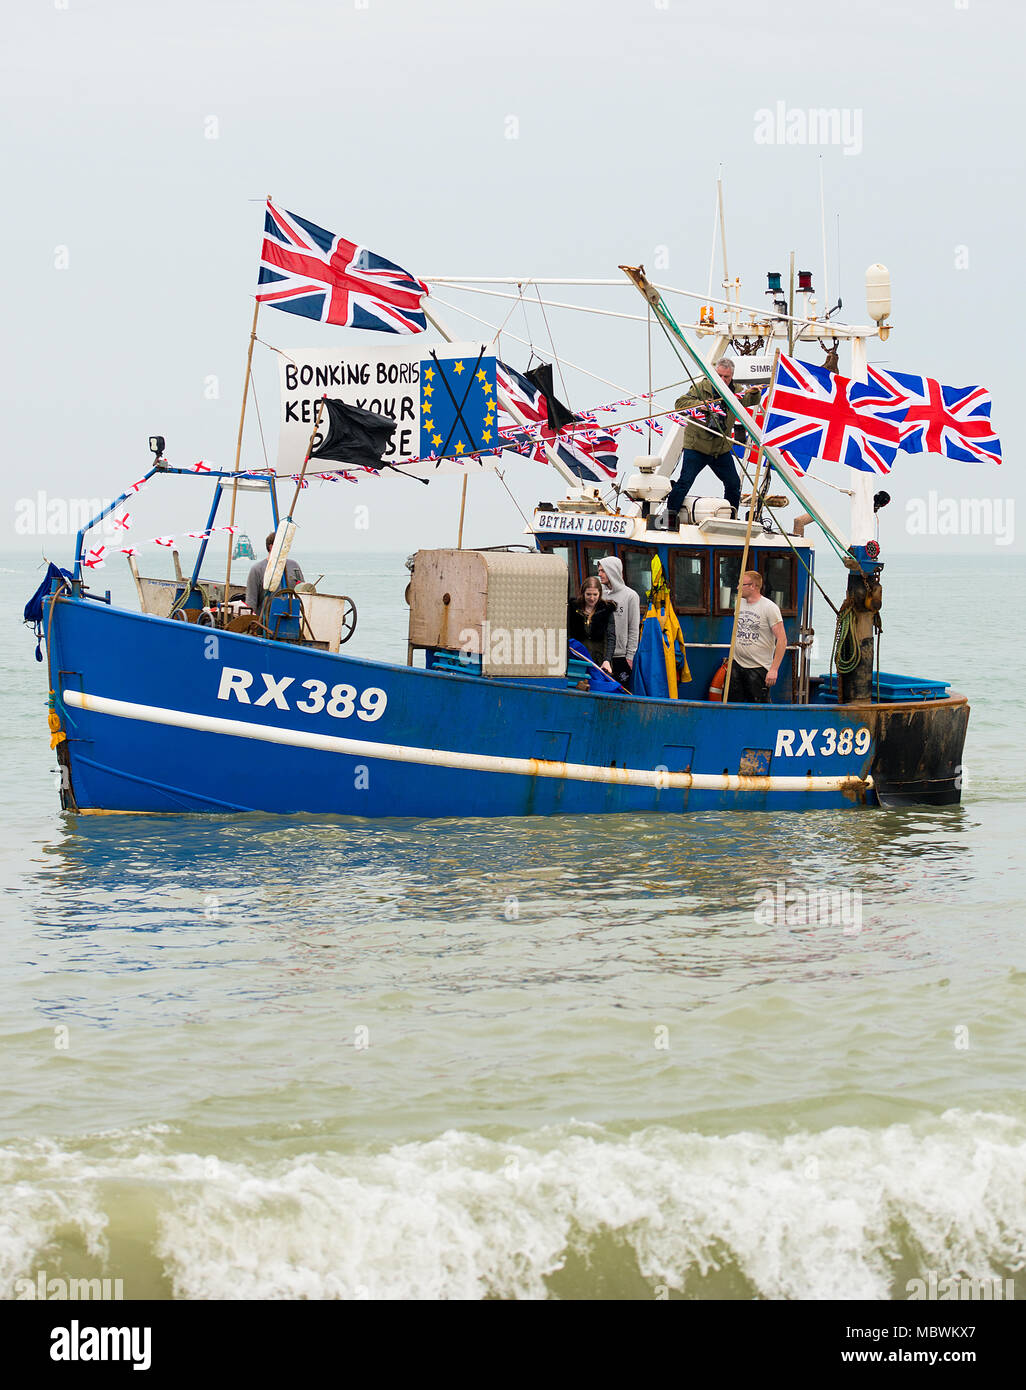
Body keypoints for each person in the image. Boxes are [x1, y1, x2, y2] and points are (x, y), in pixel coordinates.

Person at [667, 357, 761, 520]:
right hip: (697, 446)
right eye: (720, 376)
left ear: (732, 377)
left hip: (720, 449)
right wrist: (700, 405)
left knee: (733, 484)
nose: (723, 380)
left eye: (727, 377)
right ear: (714, 374)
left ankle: (731, 517)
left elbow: (748, 400)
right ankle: (669, 517)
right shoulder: (702, 387)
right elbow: (680, 403)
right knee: (684, 482)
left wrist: (755, 392)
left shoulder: (736, 390)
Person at [728, 570, 786, 703]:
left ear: (753, 586)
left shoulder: (769, 608)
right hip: (737, 664)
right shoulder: (739, 603)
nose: (737, 588)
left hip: (758, 668)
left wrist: (774, 669)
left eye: (741, 585)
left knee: (757, 707)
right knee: (733, 706)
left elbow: (782, 639)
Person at [597, 556, 639, 687]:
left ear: (612, 571)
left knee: (622, 694)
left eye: (603, 571)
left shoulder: (630, 596)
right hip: (601, 655)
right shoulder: (599, 595)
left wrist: (630, 657)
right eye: (599, 570)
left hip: (621, 657)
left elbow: (633, 628)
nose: (599, 574)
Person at [246, 532, 305, 614]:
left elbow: (302, 593)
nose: (286, 548)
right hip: (265, 621)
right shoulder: (257, 570)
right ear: (271, 547)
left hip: (291, 618)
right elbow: (251, 600)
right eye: (283, 545)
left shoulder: (294, 566)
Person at [567, 575, 616, 667]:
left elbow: (610, 637)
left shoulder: (606, 610)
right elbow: (568, 634)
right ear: (583, 593)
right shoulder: (572, 609)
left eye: (595, 594)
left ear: (600, 593)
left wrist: (607, 660)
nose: (592, 598)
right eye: (588, 594)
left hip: (600, 659)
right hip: (578, 658)